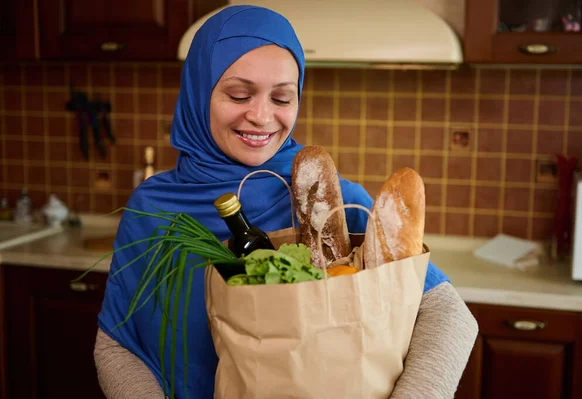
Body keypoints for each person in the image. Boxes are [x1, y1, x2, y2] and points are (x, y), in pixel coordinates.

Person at [94, 5, 478, 399]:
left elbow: (450, 317)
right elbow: (117, 343)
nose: (261, 116)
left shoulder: (334, 204)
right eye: (239, 94)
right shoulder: (152, 207)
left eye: (282, 98)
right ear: (198, 91)